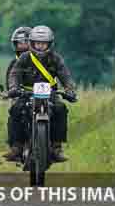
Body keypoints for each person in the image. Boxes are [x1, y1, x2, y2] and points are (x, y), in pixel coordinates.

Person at [8, 24, 77, 162]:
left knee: (61, 108)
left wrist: (69, 89)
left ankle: (57, 147)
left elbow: (65, 75)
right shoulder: (25, 58)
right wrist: (14, 87)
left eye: (43, 44)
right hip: (27, 93)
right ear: (32, 43)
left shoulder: (56, 58)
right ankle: (17, 146)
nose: (40, 46)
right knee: (15, 109)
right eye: (37, 43)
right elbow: (14, 73)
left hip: (50, 93)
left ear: (49, 44)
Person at [3, 26, 31, 161]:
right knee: (15, 110)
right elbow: (10, 80)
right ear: (15, 45)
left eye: (25, 42)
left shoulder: (44, 60)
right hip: (22, 96)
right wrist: (13, 91)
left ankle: (55, 145)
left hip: (43, 95)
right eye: (19, 43)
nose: (23, 46)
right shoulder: (14, 63)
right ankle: (16, 146)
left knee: (57, 109)